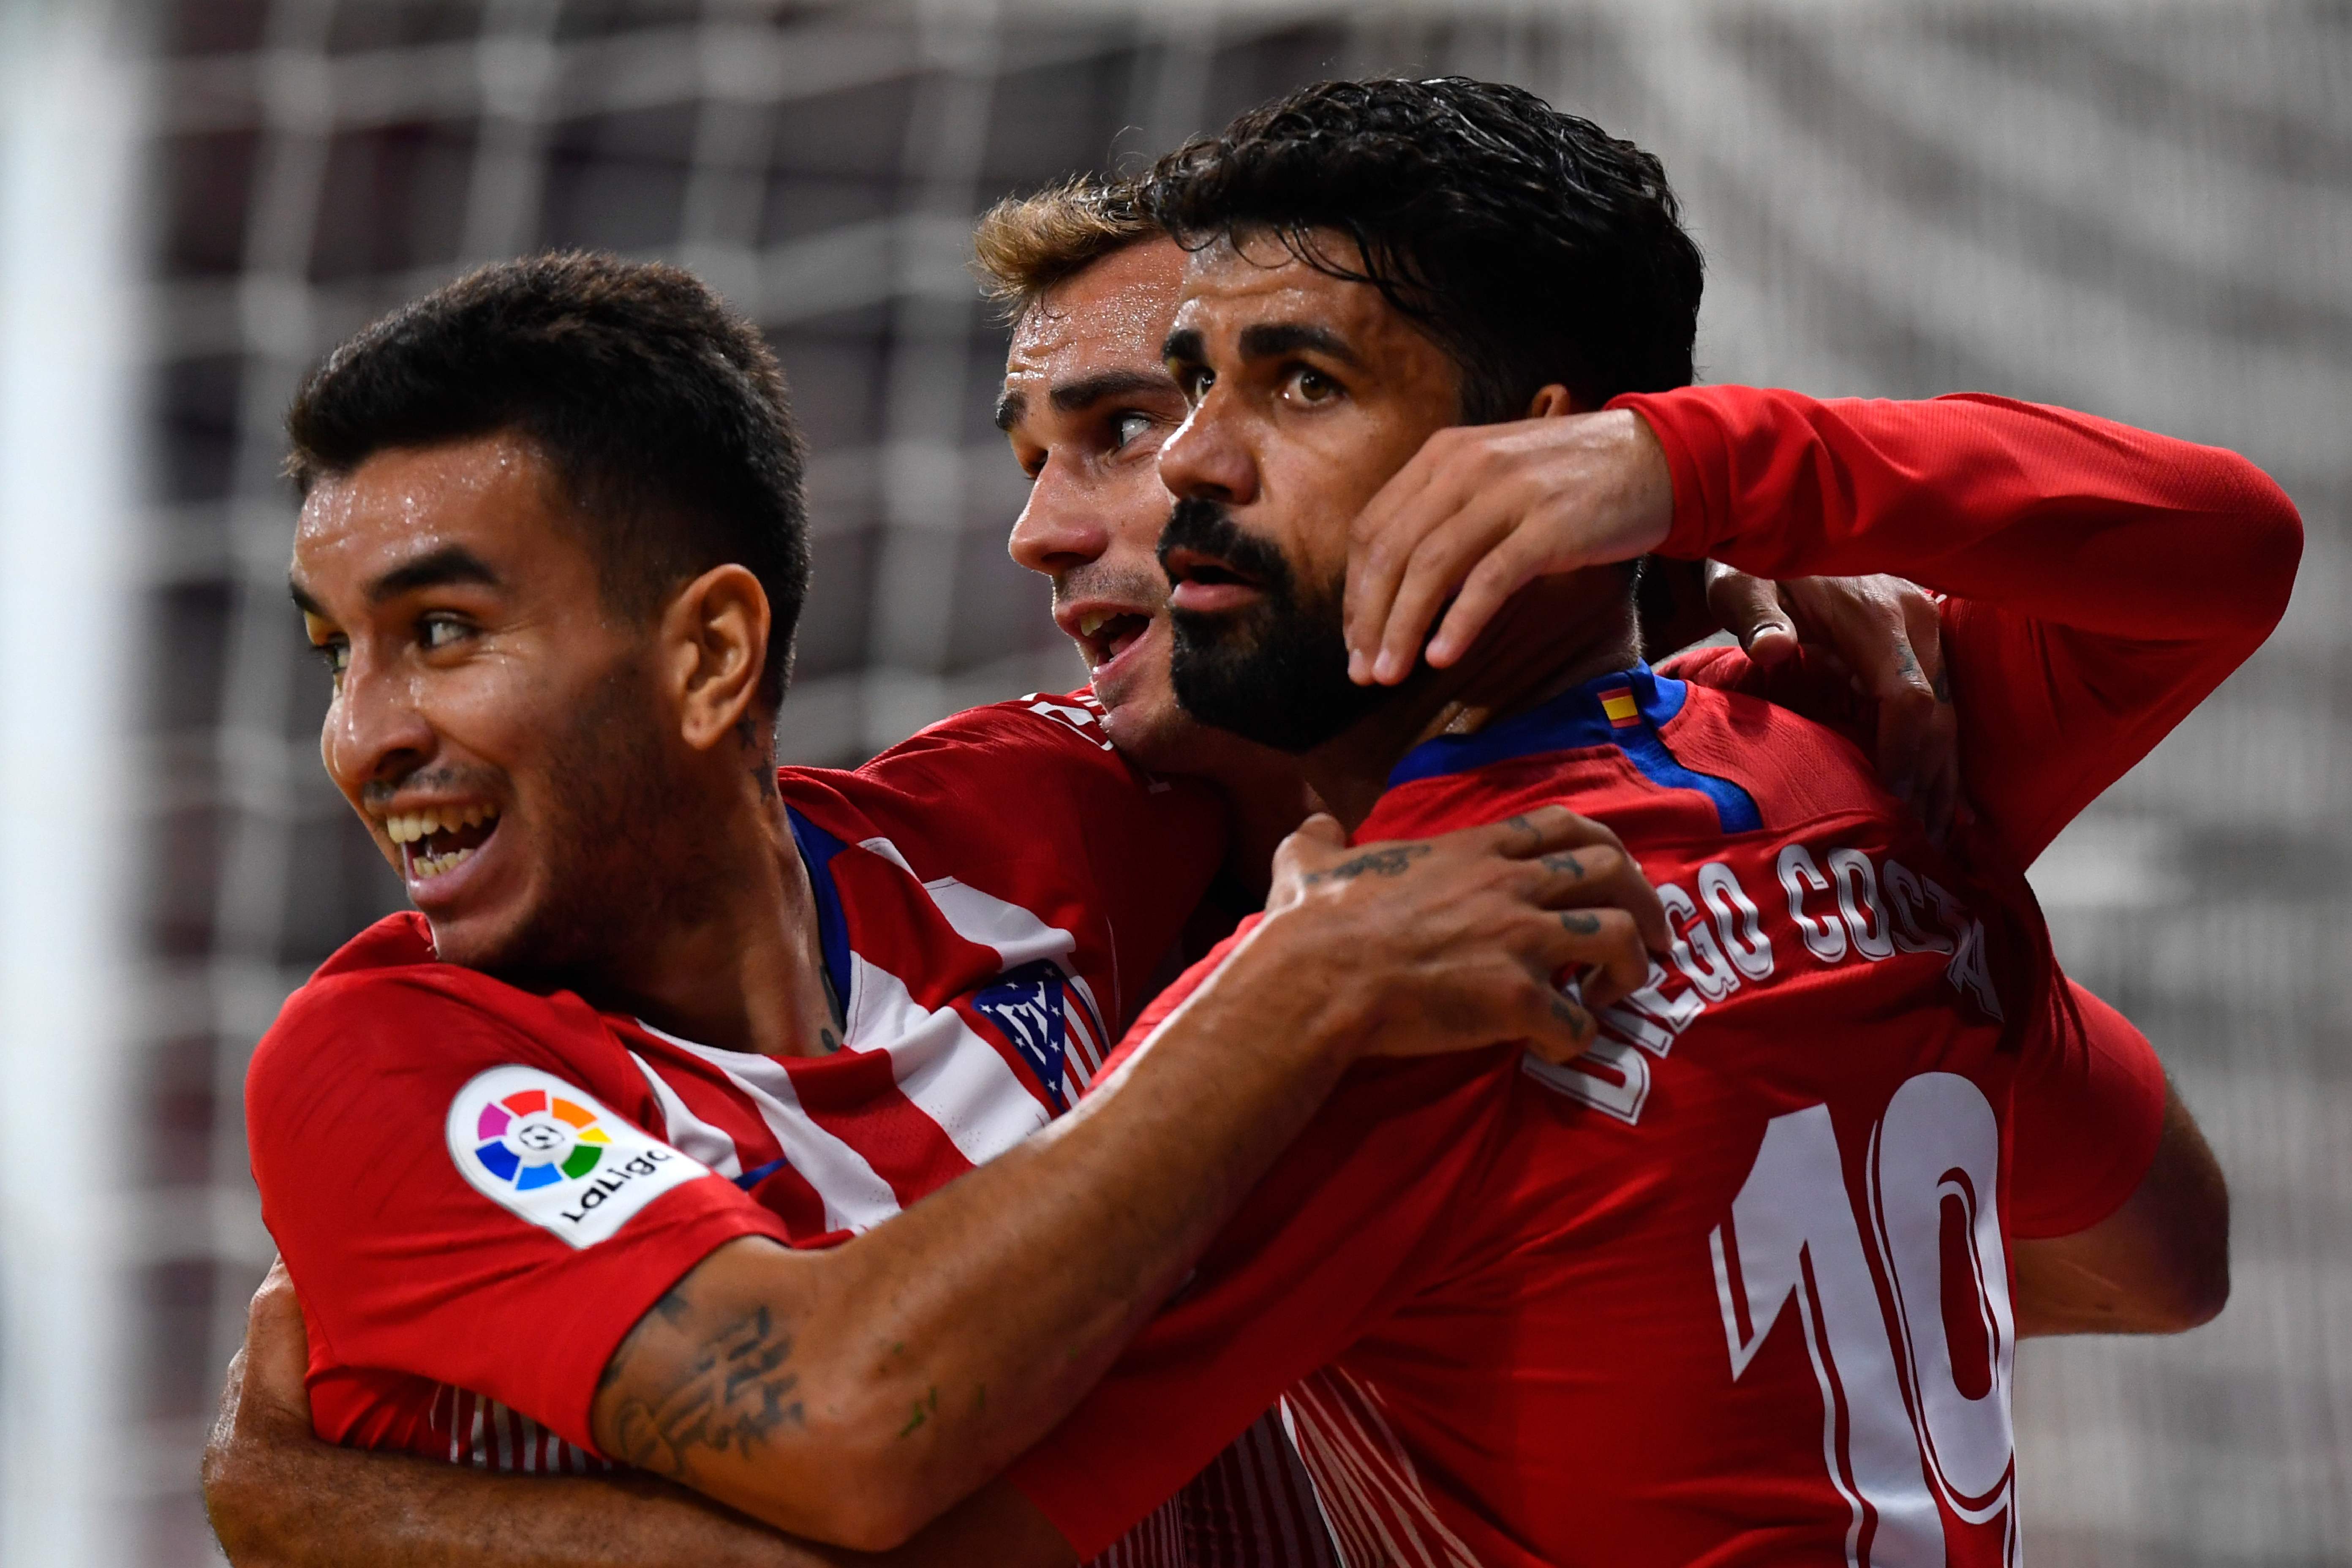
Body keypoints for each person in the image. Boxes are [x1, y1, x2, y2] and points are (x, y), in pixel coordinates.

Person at [206, 96, 2272, 1568]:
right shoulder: (1761, 785)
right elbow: (2160, 1231)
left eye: (1220, 403)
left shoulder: (1395, 938)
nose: (1113, 505)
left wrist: (1692, 498)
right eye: (1145, 417)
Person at [974, 77, 2281, 1565]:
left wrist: (1686, 469)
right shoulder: (1852, 769)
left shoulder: (1380, 988)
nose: (1190, 465)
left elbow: (917, 1508)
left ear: (1546, 456)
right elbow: (2168, 1255)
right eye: (1193, 388)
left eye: (1303, 386)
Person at [214, 249, 1675, 1566]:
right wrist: (1295, 985)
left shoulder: (1036, 819)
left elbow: (1342, 673)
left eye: (442, 634)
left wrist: (1701, 597)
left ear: (711, 655)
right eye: (338, 652)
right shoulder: (386, 1066)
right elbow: (848, 1425)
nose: (360, 737)